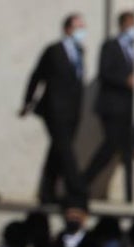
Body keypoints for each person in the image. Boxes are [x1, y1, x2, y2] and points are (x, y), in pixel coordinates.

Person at [20, 13, 88, 208]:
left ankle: (47, 192)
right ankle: (77, 192)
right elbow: (37, 76)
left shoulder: (80, 51)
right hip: (54, 110)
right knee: (66, 151)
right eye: (78, 27)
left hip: (73, 111)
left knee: (57, 151)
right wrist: (27, 102)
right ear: (67, 29)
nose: (82, 31)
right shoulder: (53, 51)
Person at [82, 10, 134, 202]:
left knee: (129, 151)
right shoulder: (110, 46)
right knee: (110, 146)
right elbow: (104, 73)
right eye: (131, 24)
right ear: (123, 25)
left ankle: (131, 194)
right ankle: (83, 182)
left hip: (129, 109)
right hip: (112, 107)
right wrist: (125, 80)